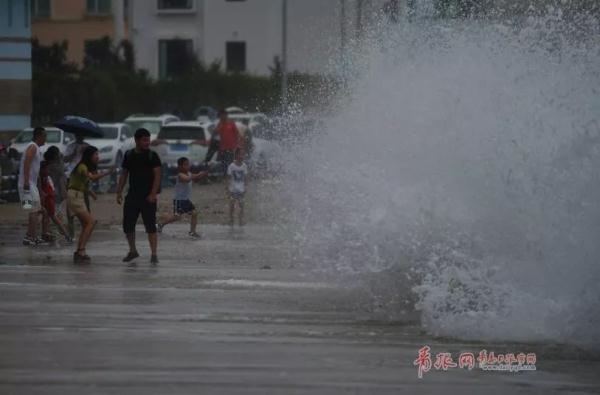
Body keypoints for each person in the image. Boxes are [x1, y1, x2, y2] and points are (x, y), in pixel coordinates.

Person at [116, 128, 162, 265]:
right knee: (128, 225)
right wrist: (119, 191)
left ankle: (154, 254)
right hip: (132, 196)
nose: (147, 143)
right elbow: (124, 174)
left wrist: (153, 194)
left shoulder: (152, 156)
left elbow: (157, 176)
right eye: (144, 140)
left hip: (148, 197)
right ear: (136, 140)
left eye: (148, 140)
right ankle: (133, 250)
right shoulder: (129, 155)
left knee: (150, 226)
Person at [67, 146, 114, 263]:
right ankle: (81, 250)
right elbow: (91, 178)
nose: (97, 157)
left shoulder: (84, 167)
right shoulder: (82, 166)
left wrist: (91, 193)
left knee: (86, 224)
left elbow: (81, 183)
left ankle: (79, 251)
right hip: (75, 197)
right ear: (89, 156)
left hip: (78, 196)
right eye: (95, 155)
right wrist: (107, 172)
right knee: (91, 222)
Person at [157, 157, 208, 238]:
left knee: (194, 213)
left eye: (188, 164)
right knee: (177, 217)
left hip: (186, 200)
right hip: (179, 200)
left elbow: (195, 179)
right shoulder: (180, 175)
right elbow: (187, 179)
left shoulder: (189, 173)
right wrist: (198, 174)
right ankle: (160, 224)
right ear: (180, 166)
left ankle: (192, 232)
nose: (188, 166)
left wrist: (202, 175)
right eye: (185, 164)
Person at [18, 127, 47, 246]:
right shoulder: (33, 147)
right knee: (32, 211)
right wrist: (26, 182)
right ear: (39, 136)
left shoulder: (36, 149)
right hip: (26, 186)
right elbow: (27, 163)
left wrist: (40, 189)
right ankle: (31, 237)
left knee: (34, 211)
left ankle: (30, 236)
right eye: (44, 136)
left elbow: (36, 171)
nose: (45, 139)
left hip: (31, 185)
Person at [39, 161, 72, 244]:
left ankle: (45, 234)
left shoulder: (44, 177)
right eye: (47, 169)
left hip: (48, 198)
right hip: (47, 197)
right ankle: (65, 235)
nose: (49, 171)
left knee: (47, 215)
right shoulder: (42, 177)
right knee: (45, 215)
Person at [64, 134, 89, 237]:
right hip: (70, 176)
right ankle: (71, 233)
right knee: (70, 204)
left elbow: (94, 161)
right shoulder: (70, 146)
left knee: (85, 203)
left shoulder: (88, 146)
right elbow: (65, 159)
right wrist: (74, 153)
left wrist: (85, 153)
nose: (80, 136)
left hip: (84, 177)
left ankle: (87, 229)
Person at [226, 149, 248, 227]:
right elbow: (228, 178)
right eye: (240, 154)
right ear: (236, 155)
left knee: (241, 206)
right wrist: (227, 188)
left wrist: (246, 187)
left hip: (241, 190)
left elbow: (245, 177)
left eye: (243, 155)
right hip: (233, 189)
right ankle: (231, 220)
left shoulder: (244, 166)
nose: (242, 156)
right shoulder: (232, 166)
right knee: (232, 206)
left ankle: (240, 220)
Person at [215, 109, 241, 175]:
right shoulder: (219, 124)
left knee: (230, 163)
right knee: (223, 163)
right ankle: (225, 176)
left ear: (226, 115)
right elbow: (216, 133)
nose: (222, 117)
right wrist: (220, 126)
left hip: (231, 148)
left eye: (224, 115)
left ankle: (231, 176)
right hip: (222, 148)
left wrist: (237, 144)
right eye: (221, 115)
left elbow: (237, 133)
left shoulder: (231, 123)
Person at [44, 146, 67, 216]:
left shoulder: (57, 161)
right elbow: (61, 170)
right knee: (54, 201)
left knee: (58, 201)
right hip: (53, 184)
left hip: (58, 183)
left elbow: (61, 171)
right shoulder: (51, 164)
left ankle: (55, 215)